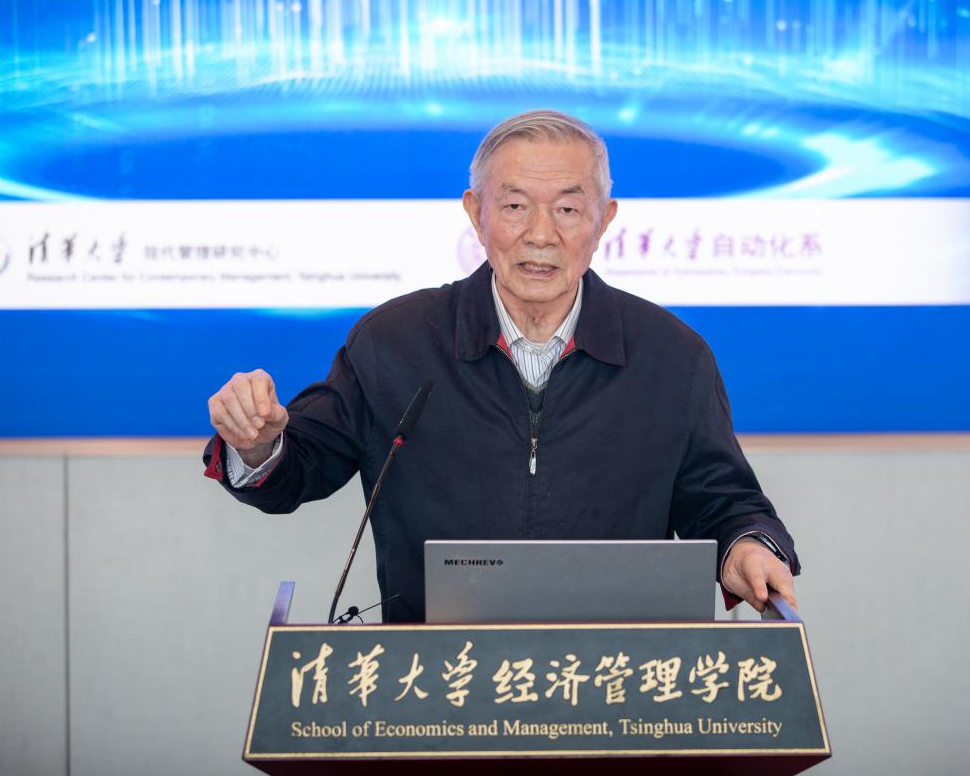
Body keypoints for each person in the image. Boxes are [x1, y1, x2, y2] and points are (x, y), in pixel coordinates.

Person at [203, 109, 801, 623]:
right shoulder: (394, 342)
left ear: (605, 220)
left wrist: (747, 546)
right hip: (438, 678)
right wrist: (257, 445)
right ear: (476, 213)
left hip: (617, 677)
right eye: (514, 205)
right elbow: (302, 465)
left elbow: (722, 501)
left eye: (568, 209)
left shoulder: (671, 356)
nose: (540, 234)